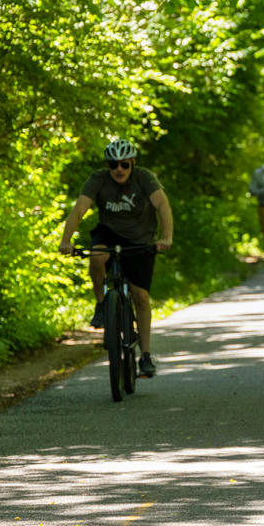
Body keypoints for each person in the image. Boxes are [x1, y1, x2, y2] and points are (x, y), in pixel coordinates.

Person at [58, 138, 174, 378]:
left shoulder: (144, 178)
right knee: (97, 256)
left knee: (140, 296)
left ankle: (146, 356)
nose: (118, 169)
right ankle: (102, 305)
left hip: (141, 238)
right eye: (113, 165)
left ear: (132, 163)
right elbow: (79, 209)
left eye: (124, 164)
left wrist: (166, 237)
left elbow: (162, 205)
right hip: (109, 233)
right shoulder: (98, 179)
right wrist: (65, 241)